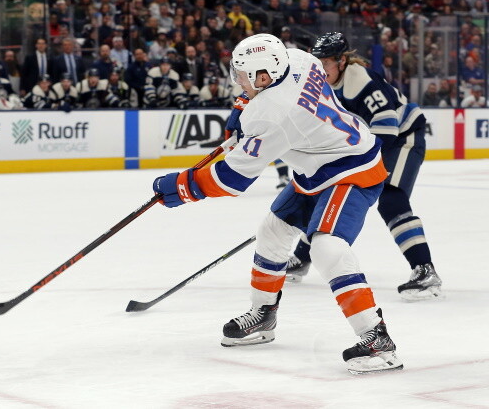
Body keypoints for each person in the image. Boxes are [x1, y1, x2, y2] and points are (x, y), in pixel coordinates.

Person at [152, 33, 402, 375]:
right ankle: (263, 316)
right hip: (318, 163)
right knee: (272, 232)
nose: (237, 81)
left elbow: (232, 179)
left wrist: (183, 187)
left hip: (353, 171)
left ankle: (377, 339)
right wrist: (243, 110)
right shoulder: (297, 59)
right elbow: (265, 101)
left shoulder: (273, 114)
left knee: (327, 248)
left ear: (264, 77)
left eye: (243, 76)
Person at [286, 32, 443, 302]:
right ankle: (302, 258)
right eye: (317, 63)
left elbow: (387, 130)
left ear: (342, 61)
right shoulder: (321, 86)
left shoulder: (362, 82)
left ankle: (424, 269)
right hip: (367, 144)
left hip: (402, 138)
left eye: (326, 64)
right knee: (325, 194)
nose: (320, 70)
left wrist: (354, 165)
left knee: (391, 197)